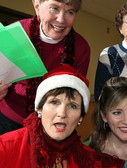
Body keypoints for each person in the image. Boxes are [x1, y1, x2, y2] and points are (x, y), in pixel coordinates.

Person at [0, 64, 123, 168]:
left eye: (72, 105)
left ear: (80, 118)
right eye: (54, 102)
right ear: (39, 109)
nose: (62, 113)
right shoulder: (6, 147)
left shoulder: (79, 154)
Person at [0, 0, 90, 135]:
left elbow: (75, 98)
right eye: (54, 8)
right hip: (6, 119)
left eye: (70, 12)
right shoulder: (16, 33)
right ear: (37, 6)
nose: (61, 19)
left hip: (48, 129)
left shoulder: (81, 48)